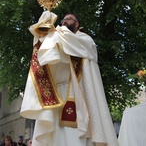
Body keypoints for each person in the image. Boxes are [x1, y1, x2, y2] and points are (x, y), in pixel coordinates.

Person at [20, 11, 119, 146]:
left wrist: (54, 34)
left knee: (74, 133)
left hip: (76, 92)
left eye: (69, 19)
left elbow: (70, 44)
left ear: (77, 24)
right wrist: (45, 22)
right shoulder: (58, 39)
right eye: (63, 20)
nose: (64, 22)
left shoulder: (85, 40)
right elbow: (44, 51)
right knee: (55, 135)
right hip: (55, 95)